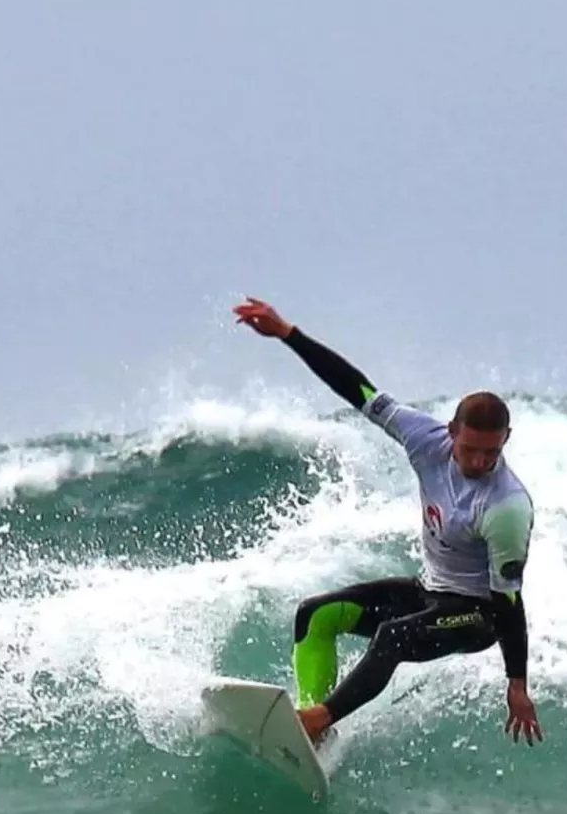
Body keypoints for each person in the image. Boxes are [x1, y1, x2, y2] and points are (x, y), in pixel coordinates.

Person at [233, 296, 544, 748]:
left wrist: (517, 683)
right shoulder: (423, 438)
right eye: (470, 449)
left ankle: (318, 719)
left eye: (491, 452)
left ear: (506, 441)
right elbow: (356, 389)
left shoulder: (507, 507)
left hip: (478, 615)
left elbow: (508, 605)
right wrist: (287, 334)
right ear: (451, 431)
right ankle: (313, 723)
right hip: (430, 593)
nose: (479, 461)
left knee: (391, 637)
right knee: (315, 614)